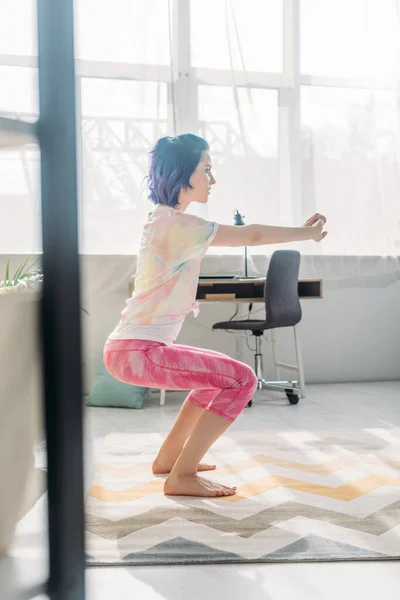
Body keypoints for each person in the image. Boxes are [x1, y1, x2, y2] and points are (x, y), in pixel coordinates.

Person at [103, 133, 327, 499]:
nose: (213, 179)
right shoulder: (177, 226)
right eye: (206, 170)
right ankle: (182, 476)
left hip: (132, 349)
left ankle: (169, 459)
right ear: (182, 175)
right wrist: (307, 233)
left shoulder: (165, 221)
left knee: (218, 377)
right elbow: (250, 235)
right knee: (242, 379)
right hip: (138, 353)